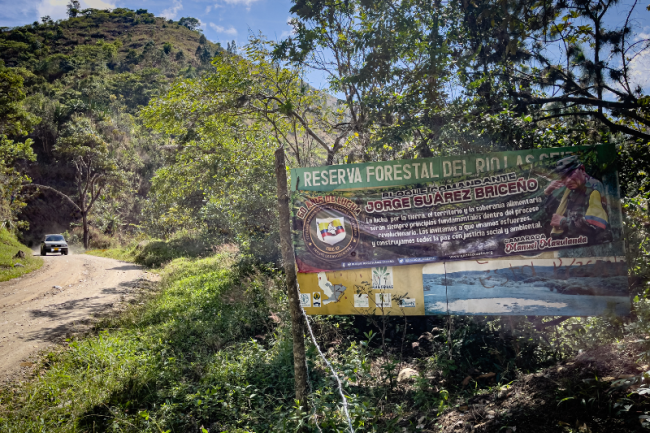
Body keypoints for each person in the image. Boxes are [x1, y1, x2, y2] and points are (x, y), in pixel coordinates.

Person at [543, 155, 611, 241]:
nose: (567, 181)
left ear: (582, 169)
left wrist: (563, 222)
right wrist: (548, 193)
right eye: (563, 177)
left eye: (571, 174)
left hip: (592, 246)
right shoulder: (572, 189)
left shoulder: (594, 187)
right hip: (573, 243)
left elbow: (594, 225)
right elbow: (557, 214)